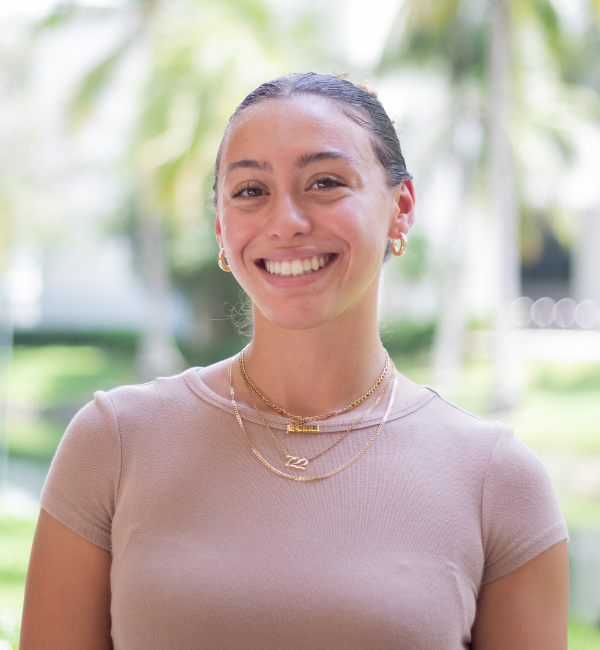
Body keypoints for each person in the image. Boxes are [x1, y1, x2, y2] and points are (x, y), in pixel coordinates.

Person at [20, 72, 568, 649]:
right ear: (220, 227)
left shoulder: (498, 482)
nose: (286, 222)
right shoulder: (113, 445)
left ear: (400, 207)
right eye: (251, 191)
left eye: (325, 182)